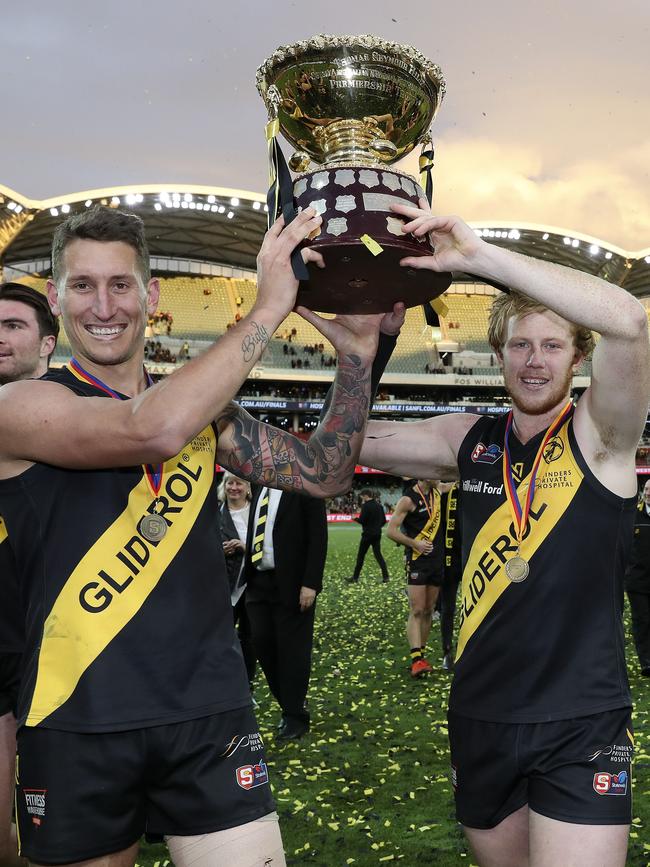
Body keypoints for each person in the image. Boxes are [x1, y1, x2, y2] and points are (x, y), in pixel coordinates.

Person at [0, 204, 386, 867]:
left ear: (150, 296)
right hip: (76, 716)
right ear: (57, 298)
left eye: (121, 284)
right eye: (83, 285)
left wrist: (356, 357)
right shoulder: (21, 406)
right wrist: (267, 308)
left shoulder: (203, 412)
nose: (104, 305)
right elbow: (151, 429)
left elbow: (323, 473)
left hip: (209, 715)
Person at [360, 202, 649, 867]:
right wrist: (365, 351)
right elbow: (336, 453)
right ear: (497, 354)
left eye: (553, 344)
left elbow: (631, 321)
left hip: (582, 723)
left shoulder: (603, 435)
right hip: (482, 715)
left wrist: (480, 259)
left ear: (579, 356)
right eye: (519, 343)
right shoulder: (465, 438)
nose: (535, 360)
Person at [0, 283, 59, 867]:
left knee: (63, 833)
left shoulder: (83, 414)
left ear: (48, 342)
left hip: (62, 649)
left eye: (13, 325)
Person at [243, 488, 327, 740]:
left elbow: (318, 537)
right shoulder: (258, 487)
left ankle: (294, 715)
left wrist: (311, 583)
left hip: (292, 585)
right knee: (262, 644)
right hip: (258, 581)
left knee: (293, 653)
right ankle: (290, 705)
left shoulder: (306, 489)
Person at [386, 479, 444, 677]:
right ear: (422, 474)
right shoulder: (407, 499)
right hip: (418, 560)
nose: (438, 477)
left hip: (437, 560)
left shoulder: (438, 490)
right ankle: (416, 659)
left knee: (429, 610)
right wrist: (414, 544)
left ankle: (422, 655)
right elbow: (391, 531)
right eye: (433, 473)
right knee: (417, 609)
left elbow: (457, 481)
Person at [218, 472, 256, 691]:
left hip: (252, 585)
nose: (234, 487)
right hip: (224, 586)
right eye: (229, 483)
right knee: (222, 635)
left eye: (238, 483)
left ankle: (247, 683)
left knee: (249, 638)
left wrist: (244, 547)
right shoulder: (215, 513)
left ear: (247, 487)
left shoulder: (257, 510)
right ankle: (224, 681)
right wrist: (219, 551)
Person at [625, 478, 650, 676]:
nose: (649, 492)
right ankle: (646, 662)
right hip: (638, 582)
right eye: (647, 489)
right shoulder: (634, 516)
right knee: (642, 622)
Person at [439, 481, 462, 672]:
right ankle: (447, 651)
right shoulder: (445, 492)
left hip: (475, 557)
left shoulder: (481, 488)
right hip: (450, 560)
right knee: (448, 608)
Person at [347, 489, 390, 583]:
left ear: (366, 496)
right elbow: (383, 521)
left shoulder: (366, 506)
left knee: (361, 556)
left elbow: (362, 520)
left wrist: (355, 519)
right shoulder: (379, 506)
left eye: (362, 496)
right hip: (377, 534)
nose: (361, 498)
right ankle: (386, 577)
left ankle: (355, 577)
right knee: (378, 555)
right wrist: (377, 528)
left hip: (367, 535)